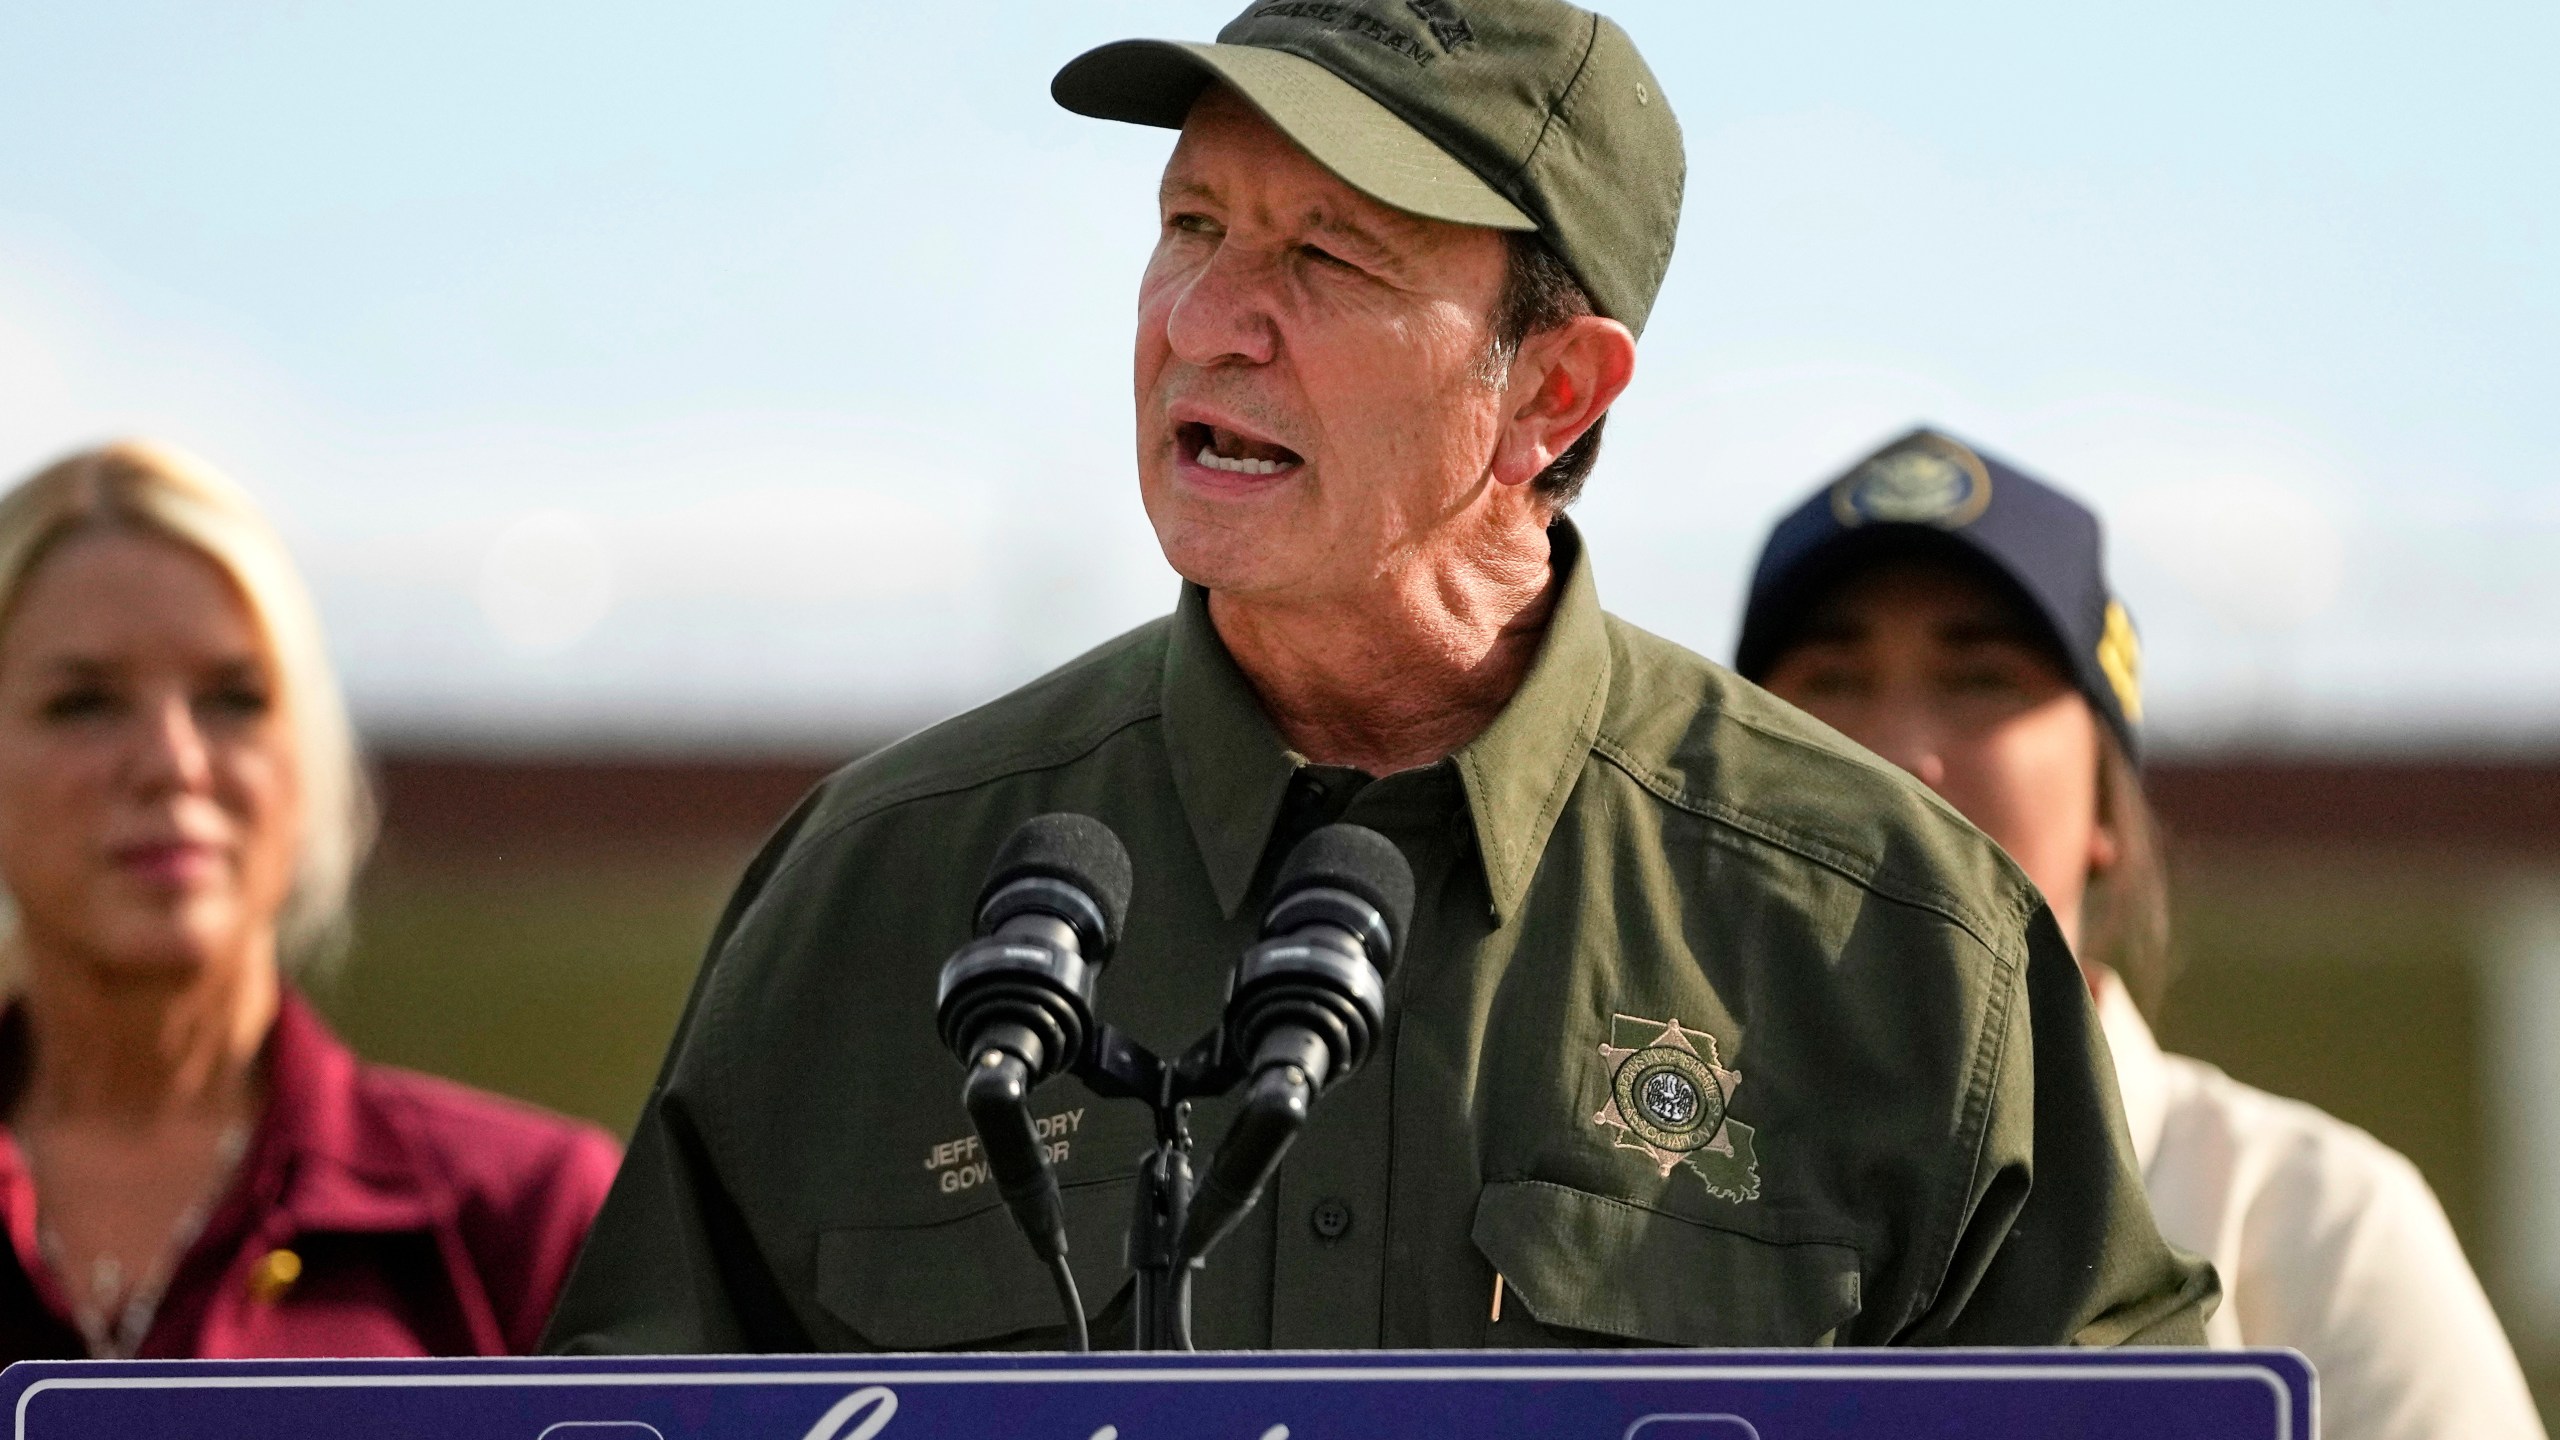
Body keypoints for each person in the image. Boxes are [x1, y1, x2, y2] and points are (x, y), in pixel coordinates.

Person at [547, 0, 2211, 1353]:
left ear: (1552, 391)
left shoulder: (1895, 940)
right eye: (1189, 225)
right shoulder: (880, 887)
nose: (1208, 318)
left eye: (1324, 259)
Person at [1739, 426, 2544, 1437]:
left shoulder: (2313, 1221)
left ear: (2108, 810)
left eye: (1983, 679)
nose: (1898, 758)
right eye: (1828, 683)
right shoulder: (1611, 1186)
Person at [0, 441, 621, 1360]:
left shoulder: (531, 1218)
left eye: (235, 699)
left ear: (309, 760)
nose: (173, 762)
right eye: (84, 703)